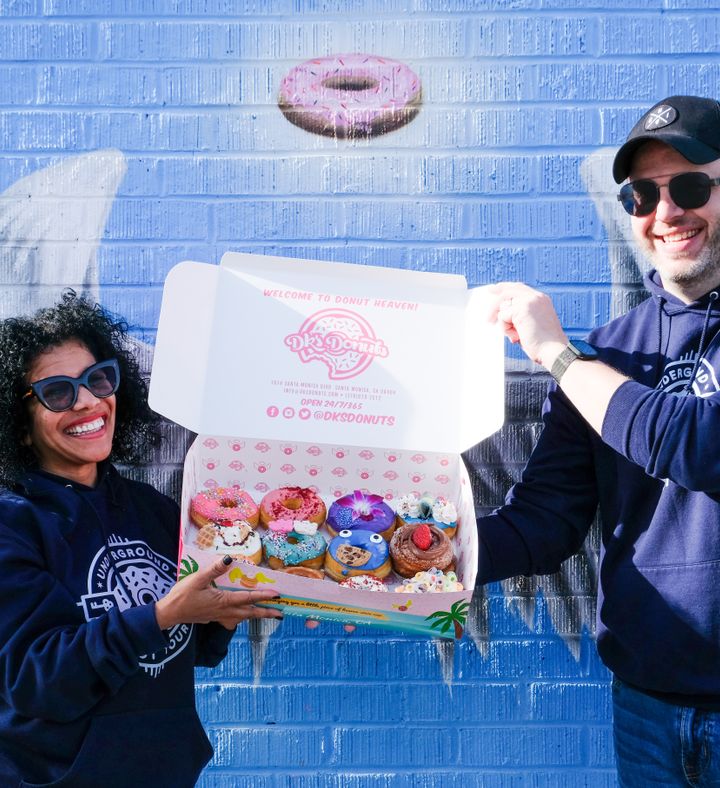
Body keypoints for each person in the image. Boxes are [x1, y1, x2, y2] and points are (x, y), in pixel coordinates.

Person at [480, 94, 720, 786]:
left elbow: (697, 446)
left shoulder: (582, 368)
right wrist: (401, 557)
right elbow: (543, 522)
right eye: (641, 196)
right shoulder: (607, 356)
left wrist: (556, 354)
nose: (665, 213)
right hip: (646, 710)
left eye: (691, 187)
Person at [0, 291, 283, 787]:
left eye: (97, 379)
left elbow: (186, 649)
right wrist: (162, 614)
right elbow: (35, 680)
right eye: (58, 392)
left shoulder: (154, 511)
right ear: (20, 427)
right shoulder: (12, 524)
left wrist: (228, 612)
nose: (88, 401)